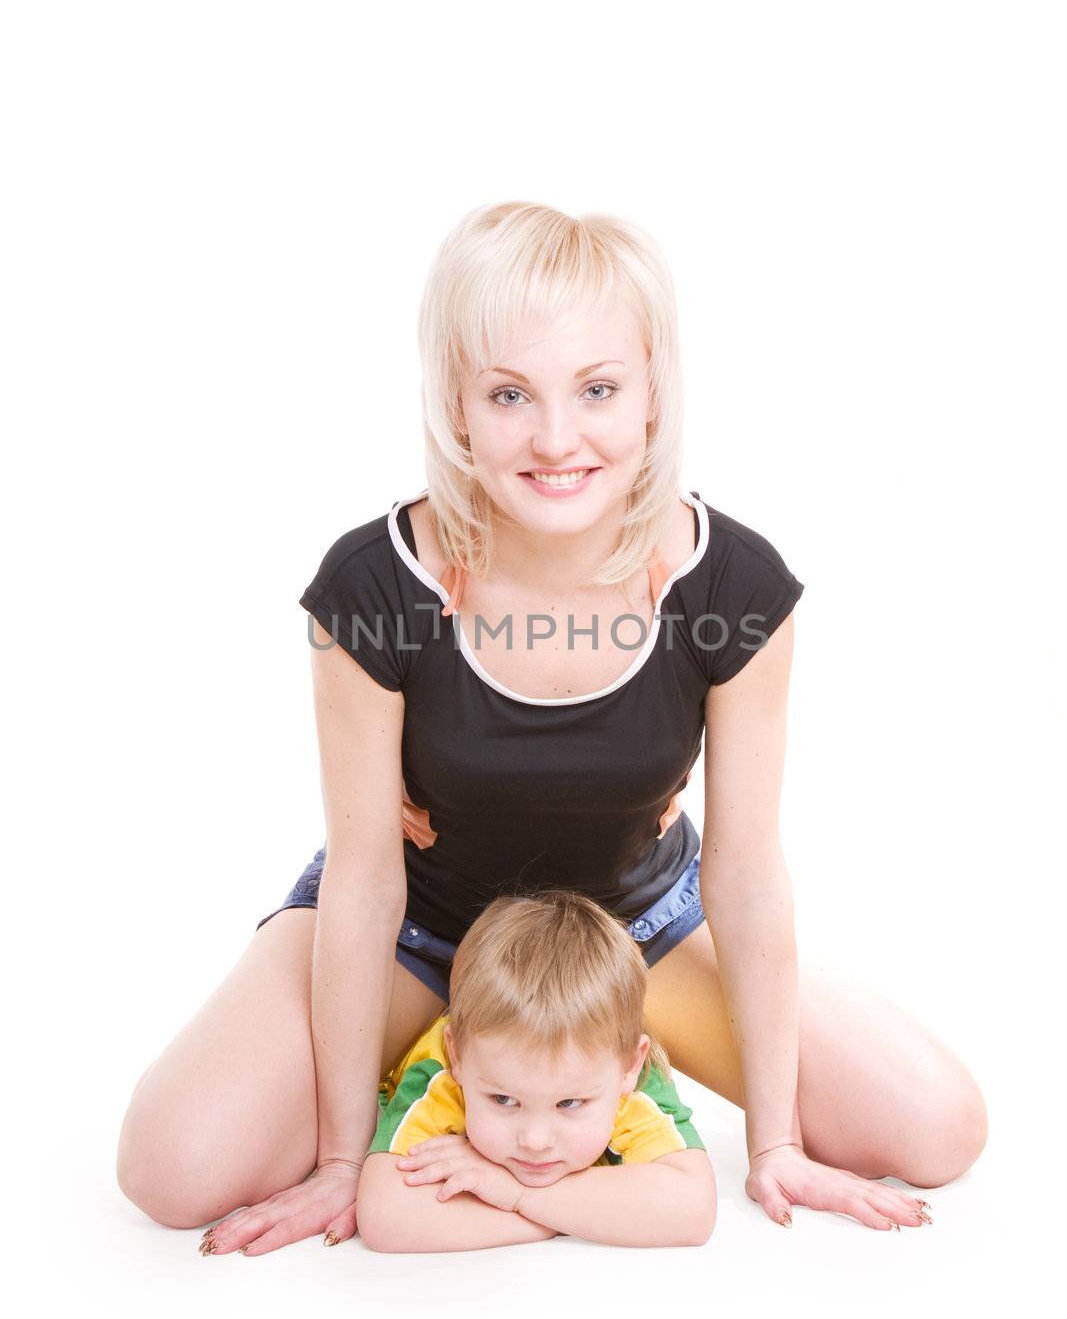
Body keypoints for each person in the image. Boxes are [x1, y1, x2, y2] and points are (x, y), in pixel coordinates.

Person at [116, 201, 984, 1256]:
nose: (557, 438)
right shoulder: (372, 588)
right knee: (172, 1169)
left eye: (598, 389)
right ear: (456, 403)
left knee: (937, 1127)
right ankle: (445, 1069)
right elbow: (362, 875)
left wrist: (773, 1142)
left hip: (629, 934)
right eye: (510, 394)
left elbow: (747, 873)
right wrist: (346, 1166)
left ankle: (578, 1062)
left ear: (653, 393)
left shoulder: (733, 588)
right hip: (418, 936)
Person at [355, 887, 716, 1252]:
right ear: (457, 1057)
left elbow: (692, 1209)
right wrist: (589, 1215)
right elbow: (386, 1216)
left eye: (570, 1103)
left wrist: (517, 1195)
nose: (535, 1141)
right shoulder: (441, 1076)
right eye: (503, 1099)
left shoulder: (623, 1076)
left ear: (630, 1066)